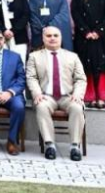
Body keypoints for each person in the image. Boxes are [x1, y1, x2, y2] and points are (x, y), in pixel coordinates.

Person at [27, 27, 87, 161]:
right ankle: (50, 145)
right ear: (43, 38)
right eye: (49, 36)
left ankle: (75, 146)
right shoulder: (34, 57)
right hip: (46, 96)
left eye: (55, 35)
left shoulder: (72, 56)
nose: (52, 38)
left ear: (61, 38)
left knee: (77, 108)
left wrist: (77, 94)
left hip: (68, 96)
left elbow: (80, 79)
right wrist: (37, 93)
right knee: (41, 107)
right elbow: (31, 77)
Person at [70, 0, 105, 109]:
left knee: (101, 65)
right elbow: (75, 13)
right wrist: (86, 31)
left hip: (102, 36)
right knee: (86, 65)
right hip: (84, 36)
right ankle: (91, 97)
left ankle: (101, 97)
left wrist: (98, 31)